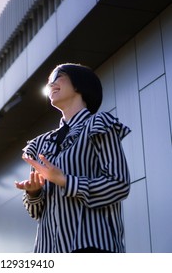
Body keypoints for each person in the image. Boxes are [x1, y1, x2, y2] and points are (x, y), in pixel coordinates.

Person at [15, 63, 131, 253]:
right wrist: (33, 193)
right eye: (48, 82)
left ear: (80, 83)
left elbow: (119, 185)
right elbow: (36, 212)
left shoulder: (99, 124)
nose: (51, 84)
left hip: (92, 246)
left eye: (57, 77)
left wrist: (65, 180)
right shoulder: (41, 143)